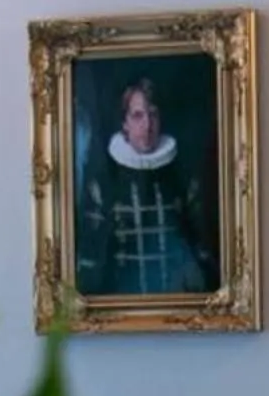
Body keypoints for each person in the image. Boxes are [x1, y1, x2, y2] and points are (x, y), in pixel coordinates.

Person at [76, 77, 215, 296]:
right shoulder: (103, 183)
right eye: (138, 116)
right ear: (125, 123)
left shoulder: (183, 177)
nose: (147, 125)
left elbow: (201, 250)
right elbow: (90, 260)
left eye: (153, 114)